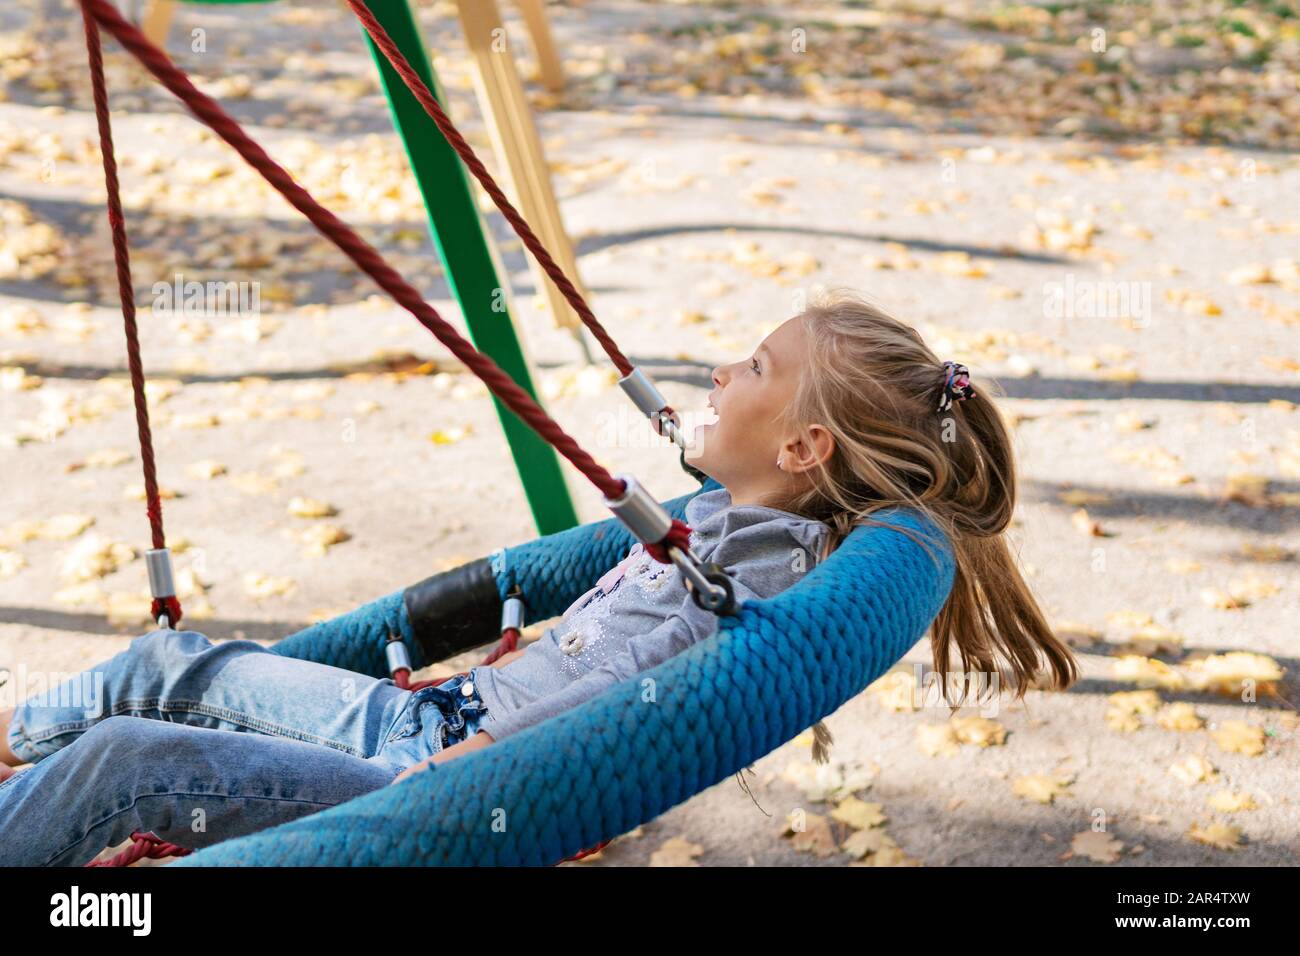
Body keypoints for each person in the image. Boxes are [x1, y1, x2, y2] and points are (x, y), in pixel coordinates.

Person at [0, 289, 1077, 865]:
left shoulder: (760, 561)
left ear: (802, 450)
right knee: (165, 668)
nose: (718, 368)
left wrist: (475, 764)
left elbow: (652, 675)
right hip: (432, 720)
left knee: (131, 758)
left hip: (441, 771)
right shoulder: (714, 511)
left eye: (753, 366)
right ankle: (16, 755)